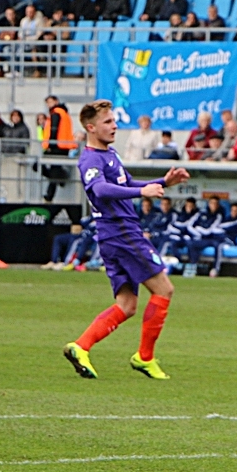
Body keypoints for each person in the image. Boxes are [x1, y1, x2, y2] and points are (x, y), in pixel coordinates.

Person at [63, 100, 189, 381]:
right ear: (91, 127)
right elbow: (101, 189)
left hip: (114, 236)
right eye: (108, 122)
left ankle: (80, 346)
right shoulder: (91, 159)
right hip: (122, 233)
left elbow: (126, 184)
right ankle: (145, 357)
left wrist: (163, 182)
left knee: (127, 304)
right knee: (164, 290)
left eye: (114, 120)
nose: (115, 126)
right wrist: (141, 193)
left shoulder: (109, 154)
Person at [42, 95, 76, 202]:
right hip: (63, 145)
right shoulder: (64, 113)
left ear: (56, 101)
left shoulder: (56, 113)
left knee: (43, 166)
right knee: (54, 170)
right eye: (47, 103)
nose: (49, 105)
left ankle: (51, 193)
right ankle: (59, 178)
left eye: (50, 102)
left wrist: (51, 145)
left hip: (57, 146)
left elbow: (54, 130)